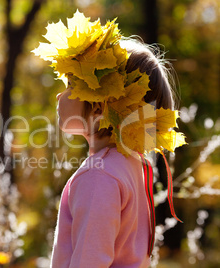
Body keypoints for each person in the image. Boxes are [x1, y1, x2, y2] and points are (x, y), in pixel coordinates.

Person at [32, 10, 186, 267]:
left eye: (71, 86)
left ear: (99, 107)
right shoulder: (132, 167)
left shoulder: (98, 176)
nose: (60, 96)